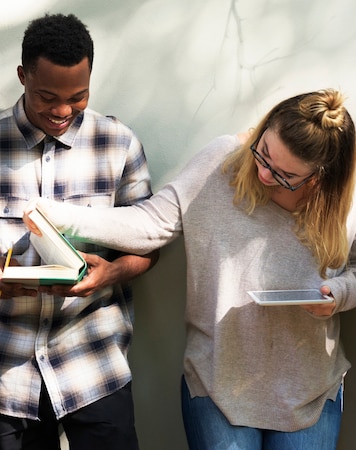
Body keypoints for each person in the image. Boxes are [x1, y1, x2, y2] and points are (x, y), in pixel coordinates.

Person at [24, 88, 356, 450]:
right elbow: (150, 225)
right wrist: (60, 217)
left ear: (320, 177)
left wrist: (339, 295)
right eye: (264, 154)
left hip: (310, 389)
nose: (265, 174)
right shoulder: (223, 160)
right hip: (217, 382)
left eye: (286, 175)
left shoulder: (349, 190)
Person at [0, 13, 158, 450]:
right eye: (47, 96)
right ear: (22, 76)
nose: (63, 111)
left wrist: (113, 272)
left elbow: (149, 244)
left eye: (78, 96)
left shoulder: (119, 144)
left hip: (93, 365)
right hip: (6, 375)